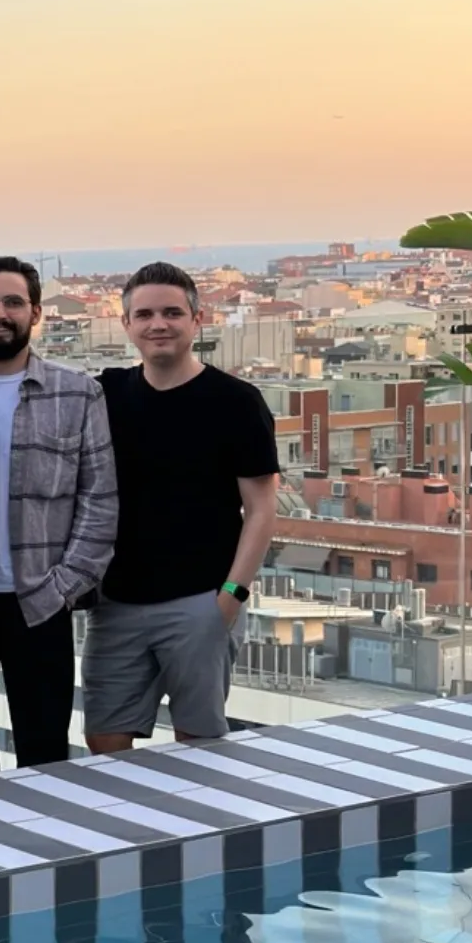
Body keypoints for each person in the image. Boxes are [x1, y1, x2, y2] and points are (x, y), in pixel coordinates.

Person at [86, 263, 279, 751]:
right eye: (145, 314)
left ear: (197, 319)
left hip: (199, 601)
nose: (159, 324)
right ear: (127, 324)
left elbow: (261, 508)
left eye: (172, 312)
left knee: (201, 743)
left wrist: (229, 598)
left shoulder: (236, 401)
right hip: (117, 603)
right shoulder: (106, 394)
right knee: (104, 740)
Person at [0, 258, 118, 773]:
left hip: (37, 599)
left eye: (13, 302)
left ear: (36, 312)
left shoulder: (78, 392)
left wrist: (62, 586)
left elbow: (99, 501)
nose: (0, 313)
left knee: (45, 755)